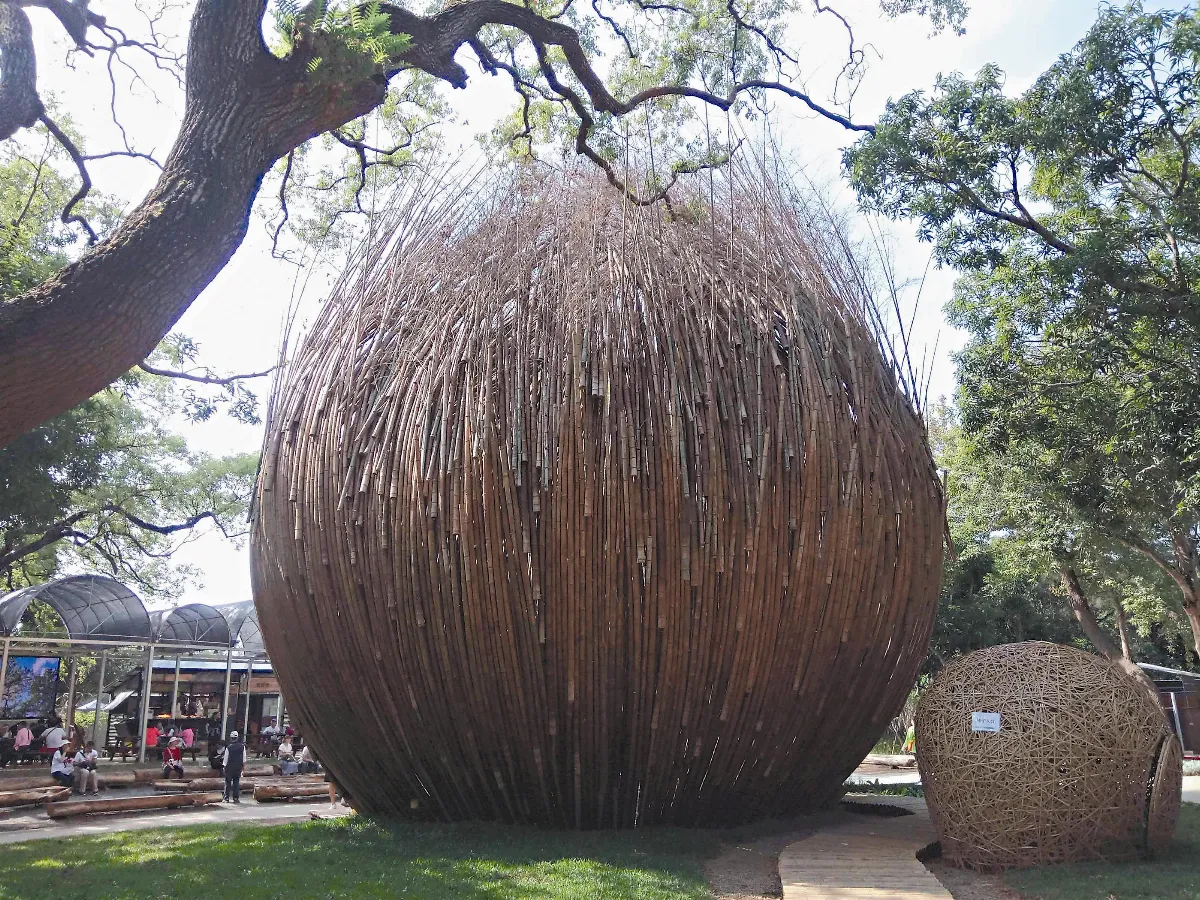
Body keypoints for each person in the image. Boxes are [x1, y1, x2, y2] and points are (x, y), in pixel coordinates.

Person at [221, 730, 245, 802]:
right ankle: (236, 798)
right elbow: (244, 759)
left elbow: (225, 759)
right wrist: (243, 768)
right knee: (236, 783)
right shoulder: (242, 747)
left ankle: (226, 798)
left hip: (229, 767)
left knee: (228, 783)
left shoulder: (228, 747)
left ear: (231, 738)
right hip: (238, 767)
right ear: (237, 738)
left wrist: (224, 767)